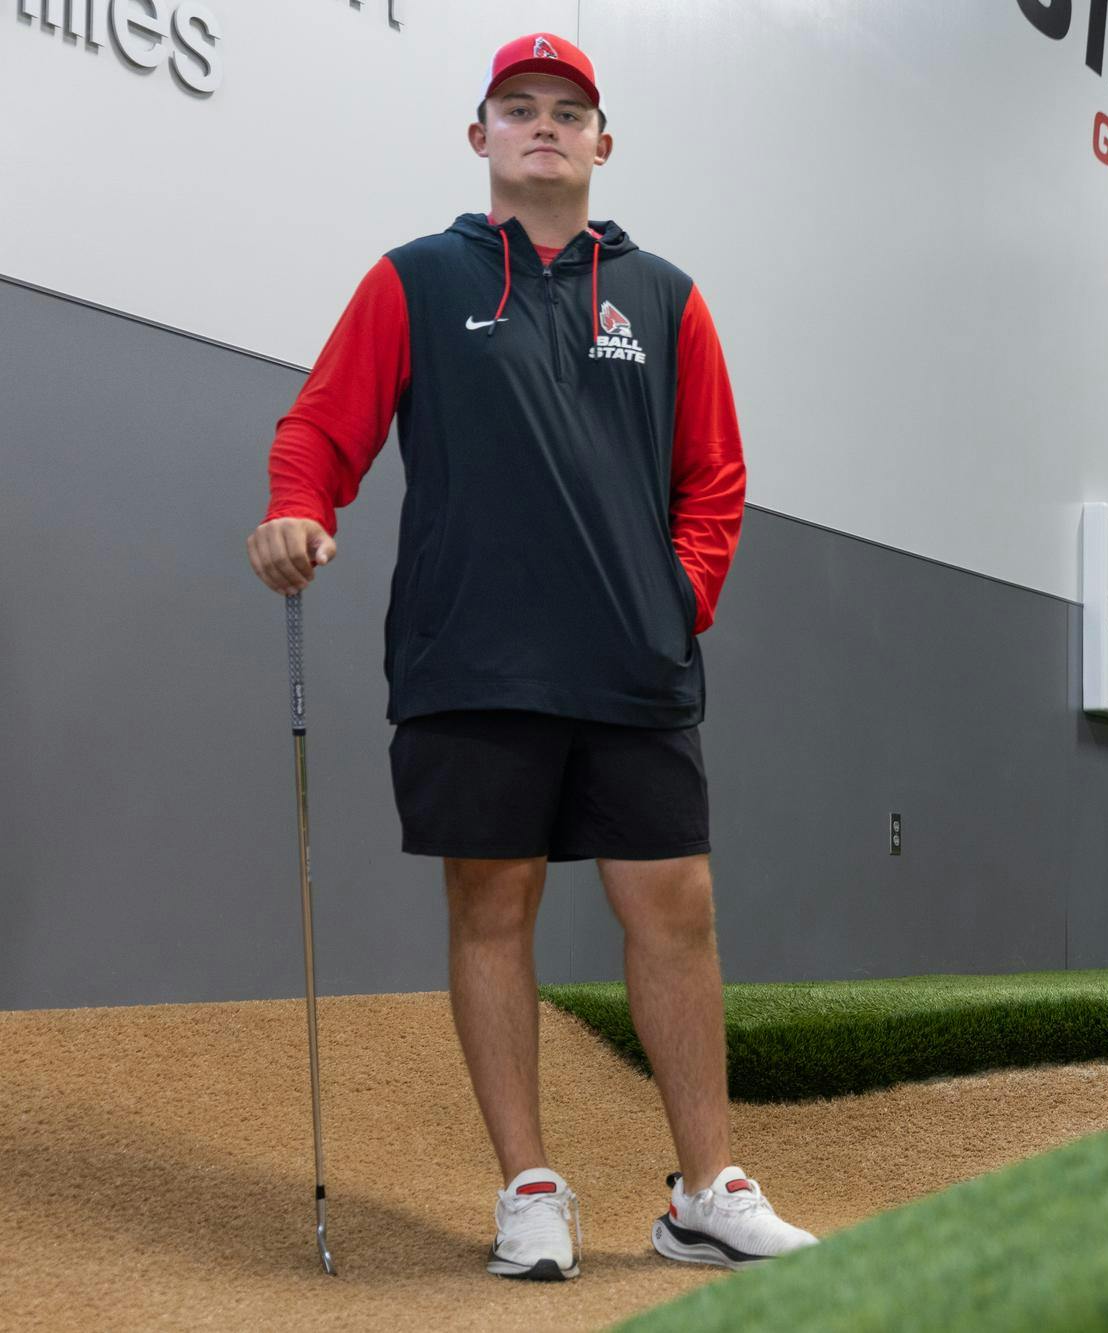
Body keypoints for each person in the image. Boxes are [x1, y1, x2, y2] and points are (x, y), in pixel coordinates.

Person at [245, 32, 816, 1280]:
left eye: (567, 110)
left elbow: (713, 477)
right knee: (490, 908)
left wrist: (677, 601)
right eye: (518, 107)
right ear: (481, 135)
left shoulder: (663, 296)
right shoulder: (410, 282)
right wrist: (301, 510)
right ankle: (531, 1187)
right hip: (470, 656)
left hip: (632, 663)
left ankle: (705, 1191)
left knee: (676, 912)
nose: (542, 125)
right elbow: (318, 431)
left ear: (603, 142)